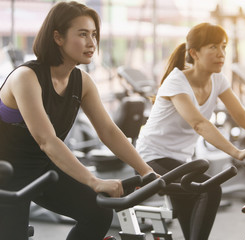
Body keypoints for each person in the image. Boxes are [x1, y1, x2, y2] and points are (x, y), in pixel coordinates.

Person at [0, 2, 155, 240]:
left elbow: (109, 131)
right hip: (5, 176)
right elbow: (47, 140)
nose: (92, 42)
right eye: (82, 34)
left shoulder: (82, 81)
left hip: (42, 170)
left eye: (94, 34)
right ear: (58, 37)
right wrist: (94, 181)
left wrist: (147, 172)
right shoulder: (26, 77)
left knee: (98, 212)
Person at [136, 22, 245, 240]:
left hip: (179, 161)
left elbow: (241, 116)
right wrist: (237, 152)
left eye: (223, 47)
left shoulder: (218, 80)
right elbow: (199, 124)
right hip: (150, 159)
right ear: (194, 53)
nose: (221, 53)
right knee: (209, 189)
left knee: (192, 217)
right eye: (213, 47)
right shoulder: (177, 81)